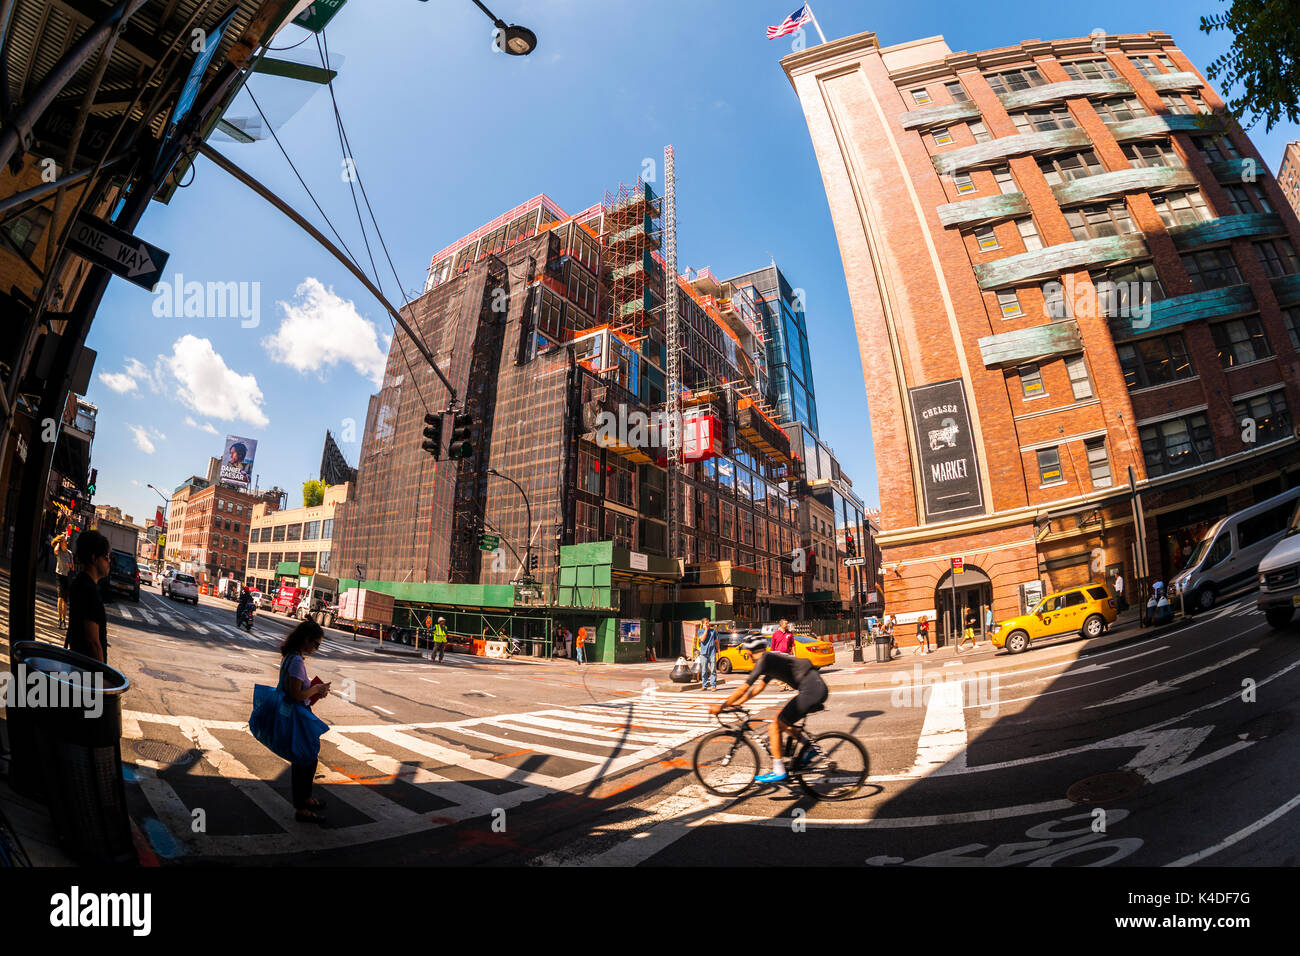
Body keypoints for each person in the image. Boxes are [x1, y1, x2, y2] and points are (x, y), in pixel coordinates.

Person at [709, 635, 829, 784]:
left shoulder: (764, 660)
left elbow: (744, 688)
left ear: (751, 651)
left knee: (774, 727)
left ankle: (779, 770)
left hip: (811, 690)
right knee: (783, 723)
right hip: (814, 687)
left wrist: (721, 707)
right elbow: (758, 688)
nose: (746, 654)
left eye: (747, 651)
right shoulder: (770, 660)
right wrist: (738, 703)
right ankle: (808, 747)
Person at [278, 621, 331, 824]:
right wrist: (317, 690)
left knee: (308, 758)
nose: (316, 649)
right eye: (316, 644)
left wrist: (315, 691)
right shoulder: (296, 661)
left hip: (296, 712)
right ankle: (301, 809)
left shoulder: (291, 656)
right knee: (304, 760)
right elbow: (296, 694)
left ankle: (305, 799)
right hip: (297, 714)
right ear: (306, 639)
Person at [65, 530, 109, 663]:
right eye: (106, 557)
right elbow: (93, 642)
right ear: (94, 558)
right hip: (87, 671)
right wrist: (102, 676)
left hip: (77, 663)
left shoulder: (80, 582)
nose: (109, 561)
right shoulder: (89, 591)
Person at [53, 532, 72, 629]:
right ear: (61, 543)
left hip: (66, 577)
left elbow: (72, 567)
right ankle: (59, 619)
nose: (66, 543)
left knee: (65, 601)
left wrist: (70, 565)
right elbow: (55, 551)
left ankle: (64, 620)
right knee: (60, 598)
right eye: (64, 541)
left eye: (66, 541)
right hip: (59, 576)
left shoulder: (69, 553)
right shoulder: (59, 551)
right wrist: (58, 543)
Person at [698, 618, 718, 690]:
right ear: (703, 624)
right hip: (703, 653)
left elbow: (716, 642)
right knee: (704, 670)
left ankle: (713, 685)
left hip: (712, 652)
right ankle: (704, 685)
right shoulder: (700, 631)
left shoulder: (713, 631)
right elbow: (702, 639)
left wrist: (718, 651)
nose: (708, 624)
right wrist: (706, 630)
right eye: (706, 623)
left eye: (708, 623)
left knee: (713, 670)